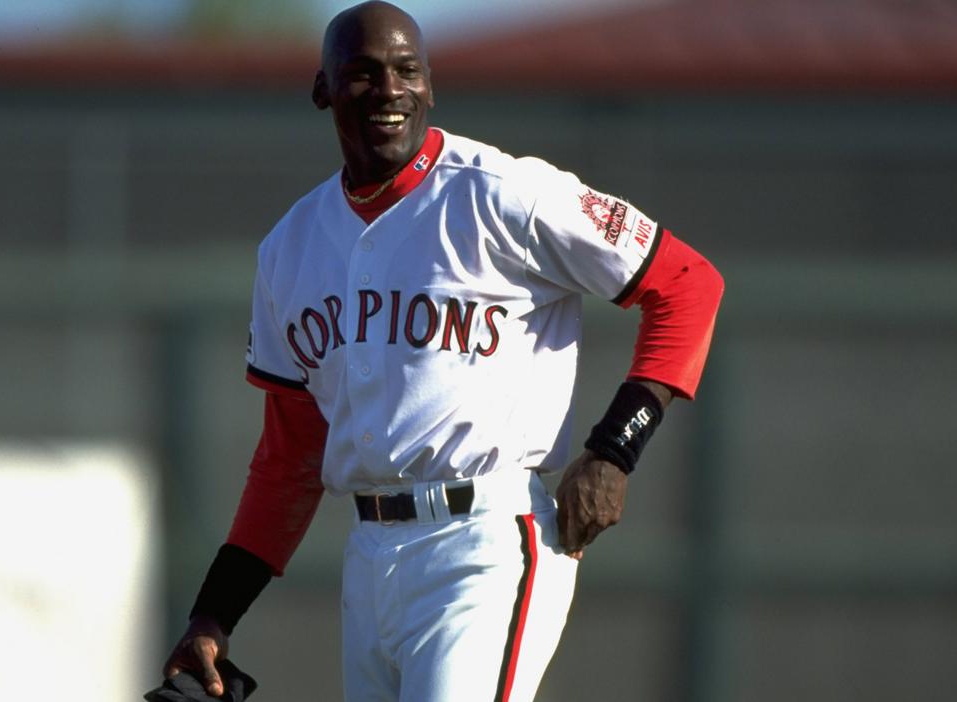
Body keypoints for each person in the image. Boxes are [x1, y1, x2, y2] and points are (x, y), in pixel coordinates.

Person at [162, 2, 724, 700]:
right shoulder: (289, 248)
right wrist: (214, 614)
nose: (390, 91)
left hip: (485, 540)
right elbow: (290, 457)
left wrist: (615, 449)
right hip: (368, 561)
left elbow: (687, 283)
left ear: (430, 85)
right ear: (322, 91)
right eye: (364, 74)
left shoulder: (504, 193)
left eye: (406, 71)